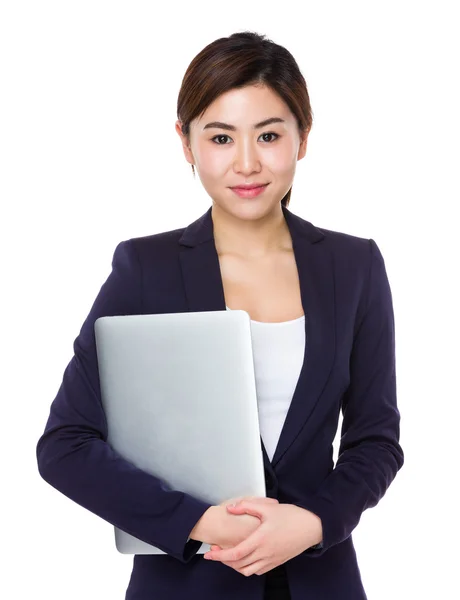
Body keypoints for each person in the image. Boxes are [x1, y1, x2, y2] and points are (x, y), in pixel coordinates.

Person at [36, 31, 404, 600]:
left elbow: (376, 439)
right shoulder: (144, 269)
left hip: (320, 582)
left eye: (269, 135)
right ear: (186, 144)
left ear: (302, 138)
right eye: (221, 137)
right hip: (187, 583)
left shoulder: (354, 266)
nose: (248, 162)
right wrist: (199, 522)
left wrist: (311, 524)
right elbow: (66, 444)